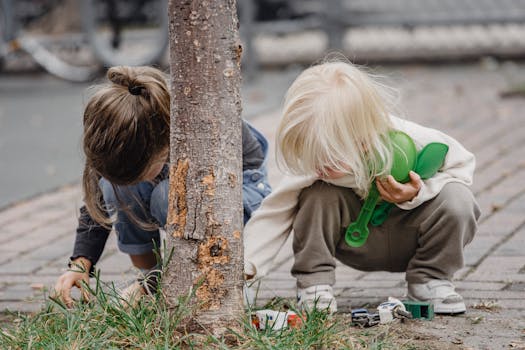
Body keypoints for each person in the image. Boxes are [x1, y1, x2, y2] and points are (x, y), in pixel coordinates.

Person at [243, 61, 480, 314]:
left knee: (458, 199)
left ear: (363, 141)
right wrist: (247, 266)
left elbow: (463, 168)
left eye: (329, 158)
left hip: (410, 235)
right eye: (312, 154)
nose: (318, 165)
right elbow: (274, 213)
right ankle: (314, 286)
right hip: (354, 243)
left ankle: (430, 280)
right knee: (317, 194)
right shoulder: (317, 167)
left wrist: (419, 192)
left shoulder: (415, 141)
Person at [54, 66, 271, 307]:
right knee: (116, 188)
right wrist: (79, 265)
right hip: (180, 188)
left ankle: (223, 282)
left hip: (240, 191)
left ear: (163, 147)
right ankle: (152, 278)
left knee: (166, 195)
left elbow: (245, 179)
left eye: (138, 175)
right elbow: (97, 206)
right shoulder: (117, 136)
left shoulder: (200, 122)